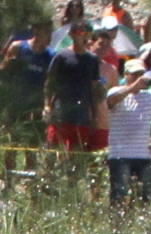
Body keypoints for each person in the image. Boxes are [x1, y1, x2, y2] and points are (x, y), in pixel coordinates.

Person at [102, 59, 151, 203]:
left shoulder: (149, 95)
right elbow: (110, 101)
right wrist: (133, 87)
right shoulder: (116, 91)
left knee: (144, 198)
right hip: (120, 155)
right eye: (135, 74)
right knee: (119, 196)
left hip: (143, 155)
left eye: (141, 74)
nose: (138, 78)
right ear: (126, 75)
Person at [42, 23, 107, 151]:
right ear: (71, 35)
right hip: (61, 113)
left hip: (82, 115)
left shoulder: (92, 60)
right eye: (80, 33)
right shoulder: (61, 56)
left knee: (77, 152)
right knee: (54, 150)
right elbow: (50, 83)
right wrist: (47, 105)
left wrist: (94, 115)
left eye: (87, 34)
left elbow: (94, 88)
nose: (84, 37)